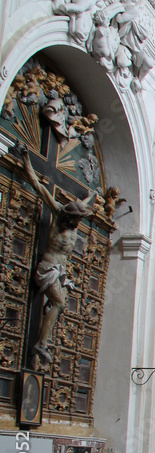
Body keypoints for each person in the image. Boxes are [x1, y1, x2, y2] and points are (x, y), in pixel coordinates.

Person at [18, 144, 95, 364]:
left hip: (59, 271)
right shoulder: (59, 217)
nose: (79, 221)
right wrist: (26, 159)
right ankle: (41, 344)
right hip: (47, 268)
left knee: (58, 304)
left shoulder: (73, 226)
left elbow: (83, 204)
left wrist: (91, 197)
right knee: (60, 303)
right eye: (78, 217)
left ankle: (43, 338)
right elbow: (38, 186)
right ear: (70, 215)